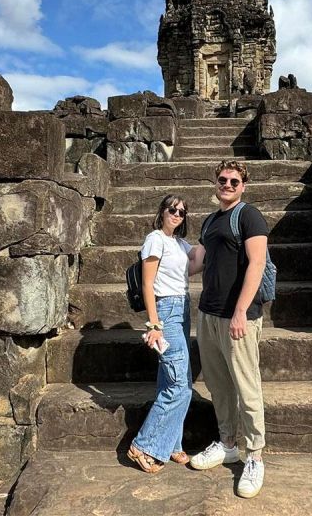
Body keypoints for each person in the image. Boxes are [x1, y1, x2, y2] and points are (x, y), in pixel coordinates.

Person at [189, 159, 268, 498]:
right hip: (208, 314)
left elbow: (258, 263)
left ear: (243, 186)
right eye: (222, 179)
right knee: (219, 385)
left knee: (247, 387)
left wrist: (239, 311)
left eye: (234, 181)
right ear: (215, 182)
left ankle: (254, 457)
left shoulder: (248, 216)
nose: (227, 185)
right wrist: (154, 267)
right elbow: (196, 262)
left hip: (239, 316)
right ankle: (228, 443)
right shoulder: (209, 221)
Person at [127, 194, 194, 474]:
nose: (177, 214)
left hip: (183, 307)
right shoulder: (155, 238)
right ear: (162, 212)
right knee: (180, 385)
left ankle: (172, 444)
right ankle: (144, 445)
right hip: (166, 311)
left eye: (181, 212)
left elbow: (198, 261)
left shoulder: (179, 243)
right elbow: (148, 283)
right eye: (172, 209)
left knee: (172, 379)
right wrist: (154, 325)